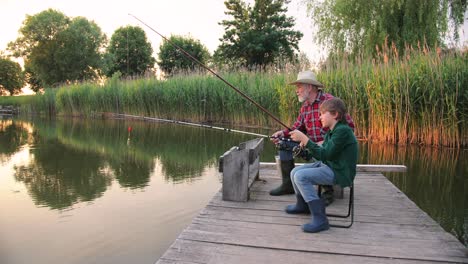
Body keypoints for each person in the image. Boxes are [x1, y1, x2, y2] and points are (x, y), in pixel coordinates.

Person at [269, 70, 355, 207]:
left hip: (329, 150)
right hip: (312, 146)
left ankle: (328, 191)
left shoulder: (330, 103)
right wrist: (282, 133)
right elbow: (297, 127)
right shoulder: (305, 108)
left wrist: (325, 142)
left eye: (299, 87)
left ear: (309, 87)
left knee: (319, 149)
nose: (297, 91)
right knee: (283, 143)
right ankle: (288, 185)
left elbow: (349, 127)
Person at [286, 98, 358, 233]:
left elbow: (325, 155)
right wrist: (306, 145)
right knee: (294, 171)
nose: (319, 117)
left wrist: (305, 139)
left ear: (335, 114)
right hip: (331, 165)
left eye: (322, 113)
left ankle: (320, 219)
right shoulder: (333, 131)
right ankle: (303, 205)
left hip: (340, 172)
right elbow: (324, 148)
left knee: (301, 177)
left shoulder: (343, 131)